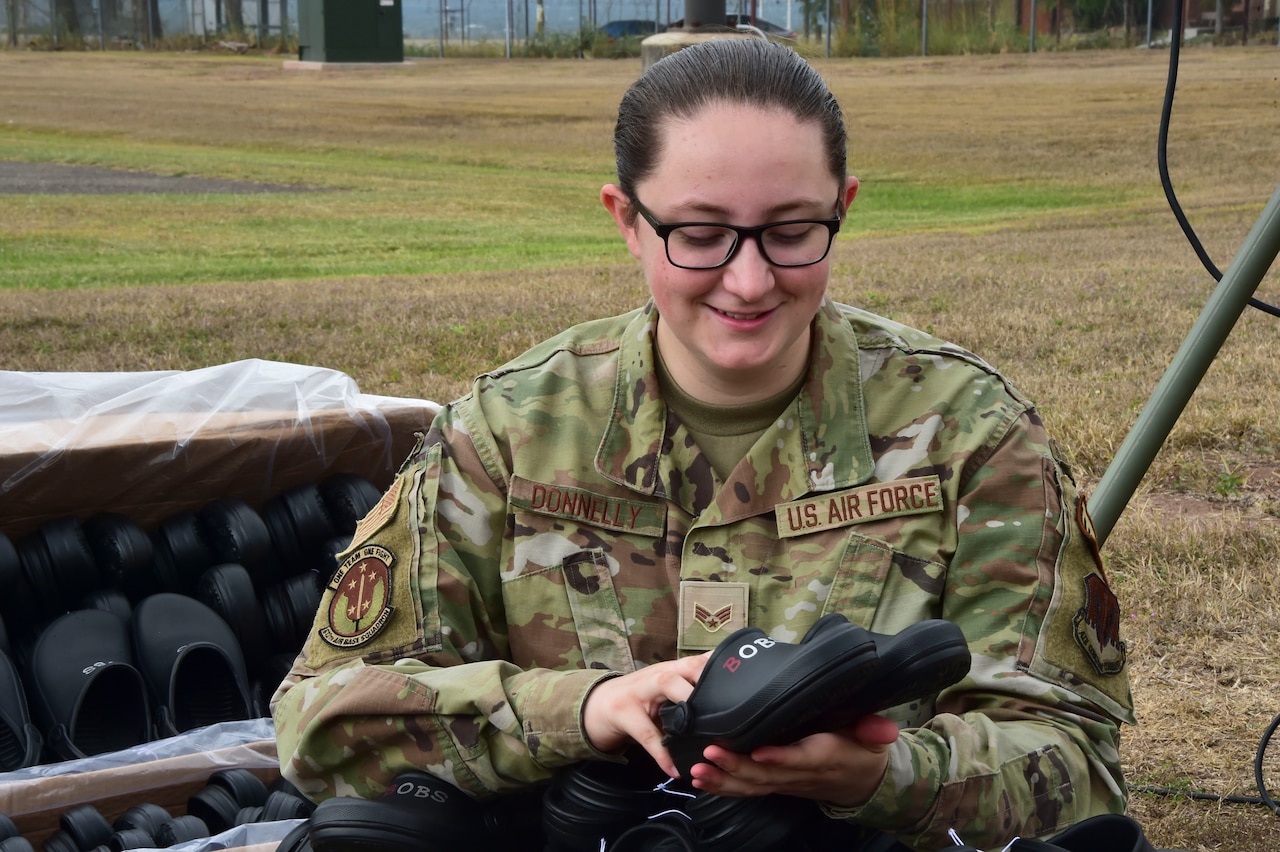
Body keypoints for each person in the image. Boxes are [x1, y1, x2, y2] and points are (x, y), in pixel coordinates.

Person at [271, 37, 1134, 851]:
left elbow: (1076, 762)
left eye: (793, 230)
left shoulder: (970, 432)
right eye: (701, 233)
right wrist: (585, 708)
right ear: (627, 220)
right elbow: (323, 725)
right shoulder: (508, 433)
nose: (750, 279)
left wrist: (888, 774)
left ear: (845, 207)